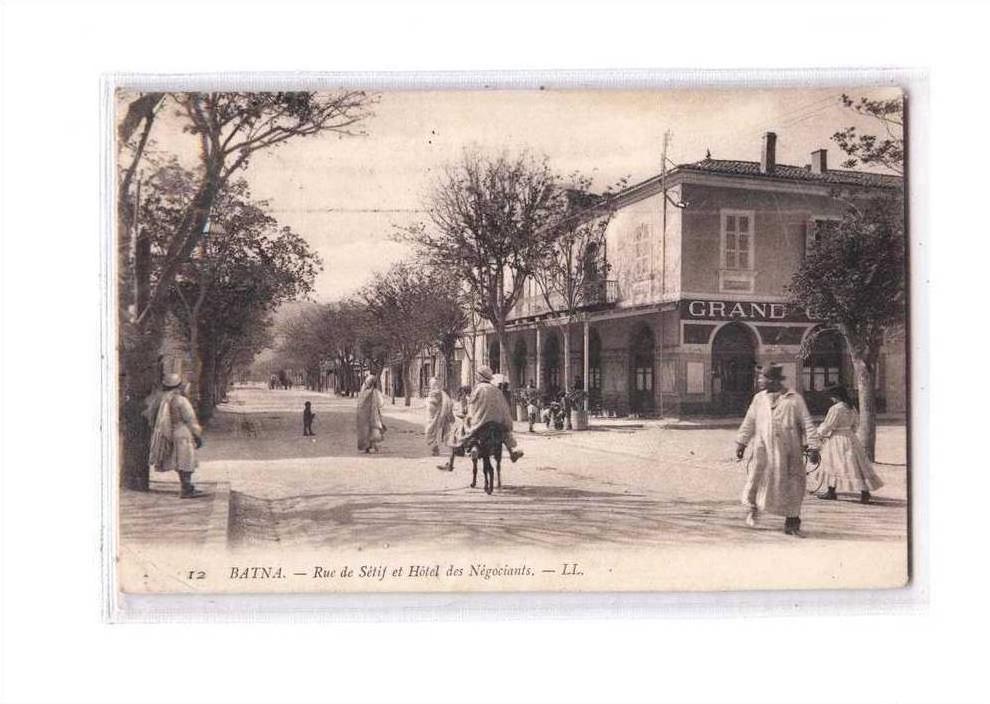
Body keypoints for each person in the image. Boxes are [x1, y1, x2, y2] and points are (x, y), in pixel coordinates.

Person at [735, 364, 820, 537]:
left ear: (772, 380)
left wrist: (814, 447)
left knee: (792, 485)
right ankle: (753, 509)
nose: (759, 381)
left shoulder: (794, 399)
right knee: (756, 479)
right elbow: (749, 421)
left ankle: (792, 520)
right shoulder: (759, 399)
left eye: (762, 378)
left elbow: (807, 424)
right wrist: (741, 442)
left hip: (789, 452)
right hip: (763, 450)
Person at [816, 384, 884, 504]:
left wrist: (819, 433)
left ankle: (832, 491)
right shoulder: (851, 407)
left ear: (836, 396)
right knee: (855, 465)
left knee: (834, 464)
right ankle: (864, 493)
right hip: (850, 438)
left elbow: (828, 425)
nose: (831, 399)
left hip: (838, 439)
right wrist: (850, 433)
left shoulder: (836, 409)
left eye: (832, 397)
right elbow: (856, 424)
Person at [148, 373, 206, 499]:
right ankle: (186, 489)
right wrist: (197, 434)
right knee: (186, 461)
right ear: (178, 386)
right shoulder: (181, 400)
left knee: (179, 461)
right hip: (183, 432)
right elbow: (190, 419)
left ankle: (187, 487)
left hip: (170, 431)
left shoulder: (163, 400)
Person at [464, 366, 523, 463]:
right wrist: (507, 422)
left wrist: (469, 416)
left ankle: (473, 447)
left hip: (480, 420)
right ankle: (511, 452)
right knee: (505, 434)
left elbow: (472, 406)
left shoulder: (477, 389)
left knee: (469, 429)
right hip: (496, 421)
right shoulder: (497, 390)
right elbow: (504, 408)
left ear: (479, 377)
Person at [437, 385, 471, 471]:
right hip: (460, 423)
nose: (460, 393)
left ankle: (450, 464)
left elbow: (464, 413)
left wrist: (458, 415)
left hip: (461, 424)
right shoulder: (465, 400)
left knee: (454, 443)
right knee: (454, 444)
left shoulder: (465, 400)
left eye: (461, 392)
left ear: (465, 392)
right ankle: (451, 463)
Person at [356, 373, 386, 453]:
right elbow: (381, 403)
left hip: (367, 415)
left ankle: (370, 446)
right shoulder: (372, 392)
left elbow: (380, 403)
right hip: (368, 414)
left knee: (370, 430)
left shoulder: (366, 392)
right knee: (369, 430)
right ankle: (369, 446)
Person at [424, 377, 453, 457]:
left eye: (436, 384)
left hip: (437, 414)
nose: (434, 385)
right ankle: (435, 447)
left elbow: (445, 403)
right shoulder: (435, 393)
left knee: (432, 431)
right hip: (431, 414)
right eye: (432, 384)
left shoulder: (440, 394)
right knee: (431, 431)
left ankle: (435, 448)